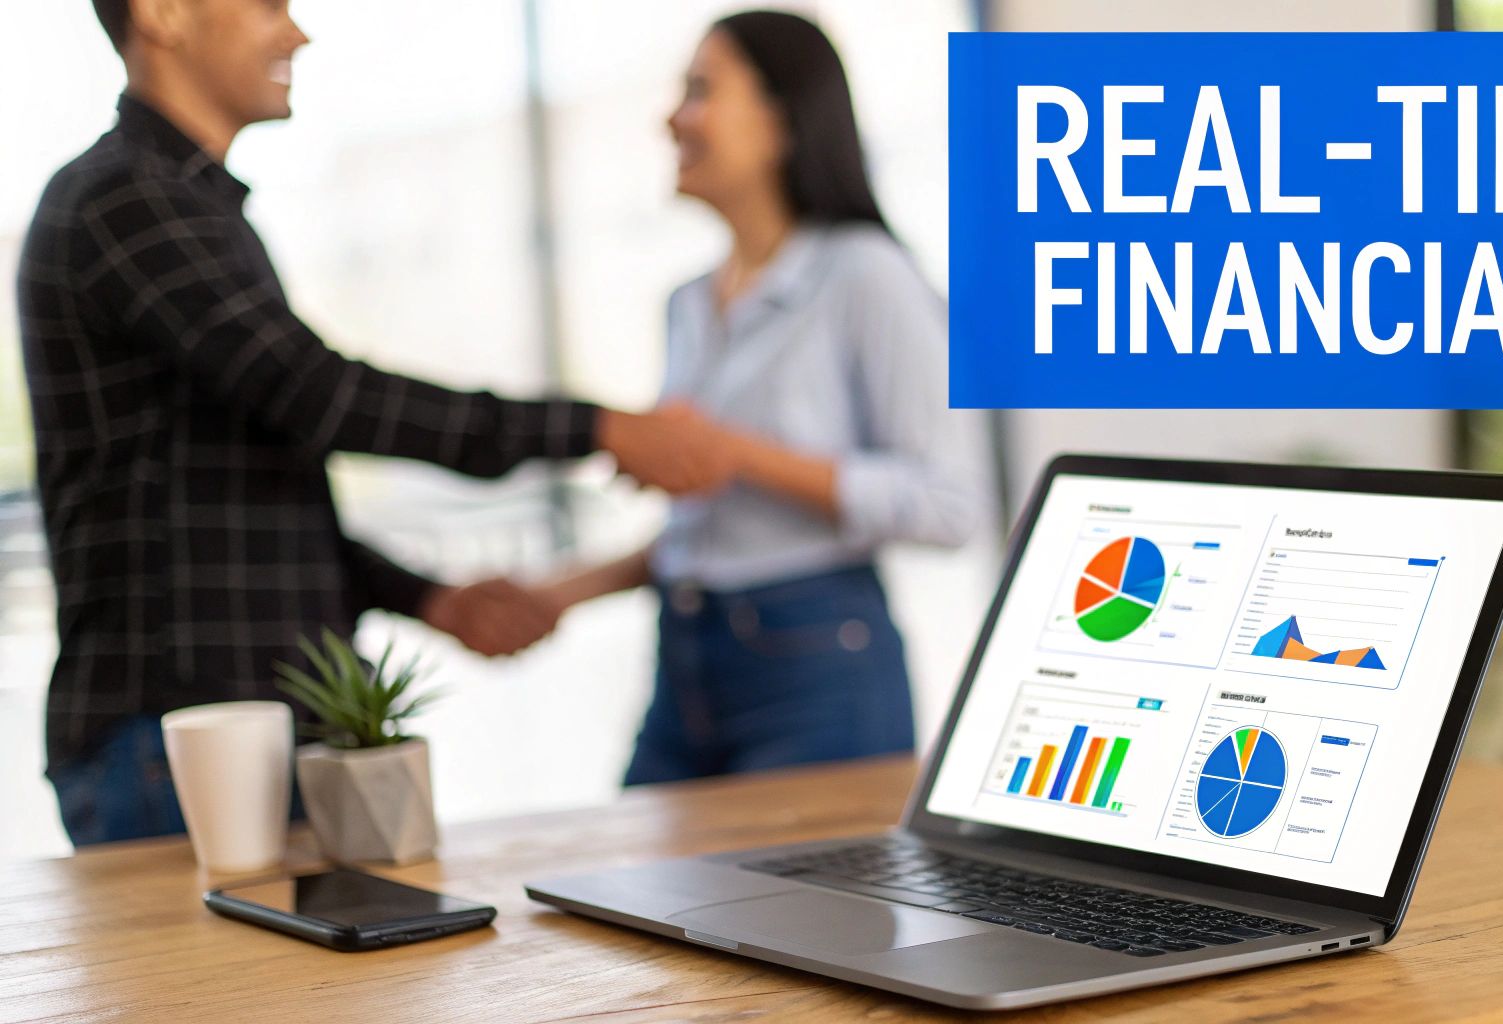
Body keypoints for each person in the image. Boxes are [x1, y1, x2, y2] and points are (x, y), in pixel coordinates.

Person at [16, 0, 729, 845]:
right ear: (164, 14)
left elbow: (252, 507)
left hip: (249, 733)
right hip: (178, 746)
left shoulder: (193, 210)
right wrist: (596, 430)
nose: (296, 31)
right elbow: (318, 393)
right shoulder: (124, 200)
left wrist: (429, 597)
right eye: (267, 5)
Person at [535, 11, 990, 784]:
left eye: (701, 90)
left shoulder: (864, 275)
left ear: (782, 122)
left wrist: (732, 451)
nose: (672, 117)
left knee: (807, 906)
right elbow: (713, 528)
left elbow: (951, 506)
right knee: (618, 898)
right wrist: (561, 594)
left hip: (817, 667)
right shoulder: (685, 305)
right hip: (684, 658)